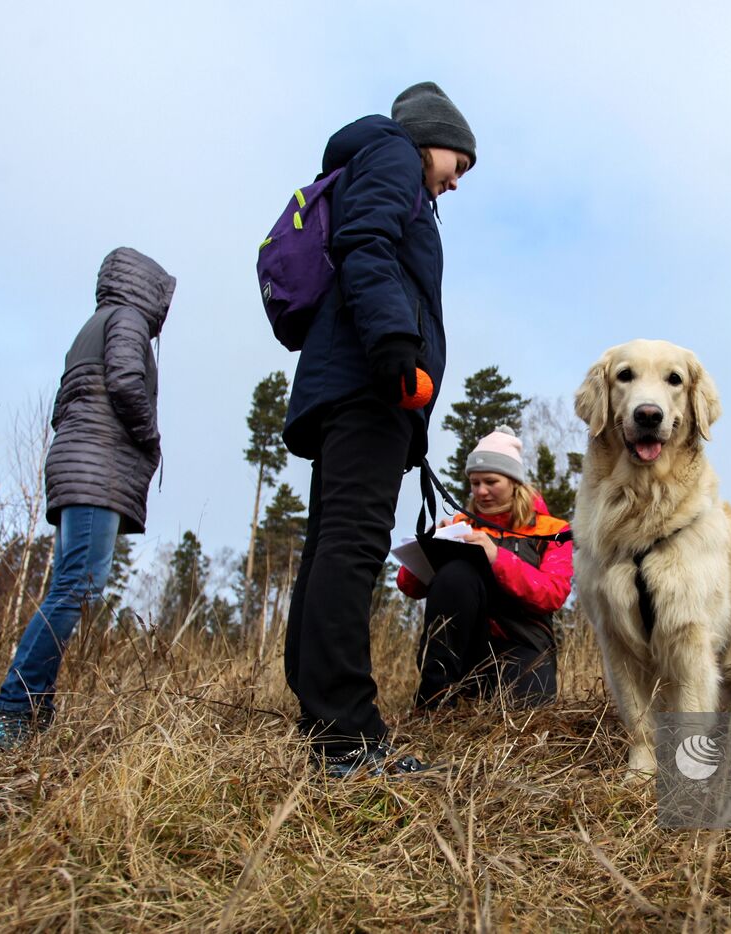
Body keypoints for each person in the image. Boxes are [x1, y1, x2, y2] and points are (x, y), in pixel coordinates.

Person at [281, 82, 476, 778]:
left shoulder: (376, 160)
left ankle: (321, 717)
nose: (458, 180)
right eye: (459, 162)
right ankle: (347, 737)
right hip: (370, 382)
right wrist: (396, 343)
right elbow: (366, 241)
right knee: (353, 546)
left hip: (349, 380)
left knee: (331, 545)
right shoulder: (394, 154)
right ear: (432, 137)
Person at [0, 247, 176, 750]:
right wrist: (149, 437)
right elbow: (125, 382)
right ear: (147, 288)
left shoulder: (95, 323)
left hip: (76, 463)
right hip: (96, 468)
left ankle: (34, 710)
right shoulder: (127, 319)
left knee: (72, 586)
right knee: (76, 588)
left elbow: (63, 407)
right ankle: (9, 713)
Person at [398, 427, 571, 710]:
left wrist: (496, 556)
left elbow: (553, 593)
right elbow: (408, 586)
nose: (481, 491)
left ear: (514, 482)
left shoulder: (553, 531)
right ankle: (434, 699)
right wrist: (432, 545)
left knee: (527, 710)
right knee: (455, 574)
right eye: (474, 482)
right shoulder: (460, 526)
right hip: (466, 648)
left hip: (524, 644)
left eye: (491, 481)